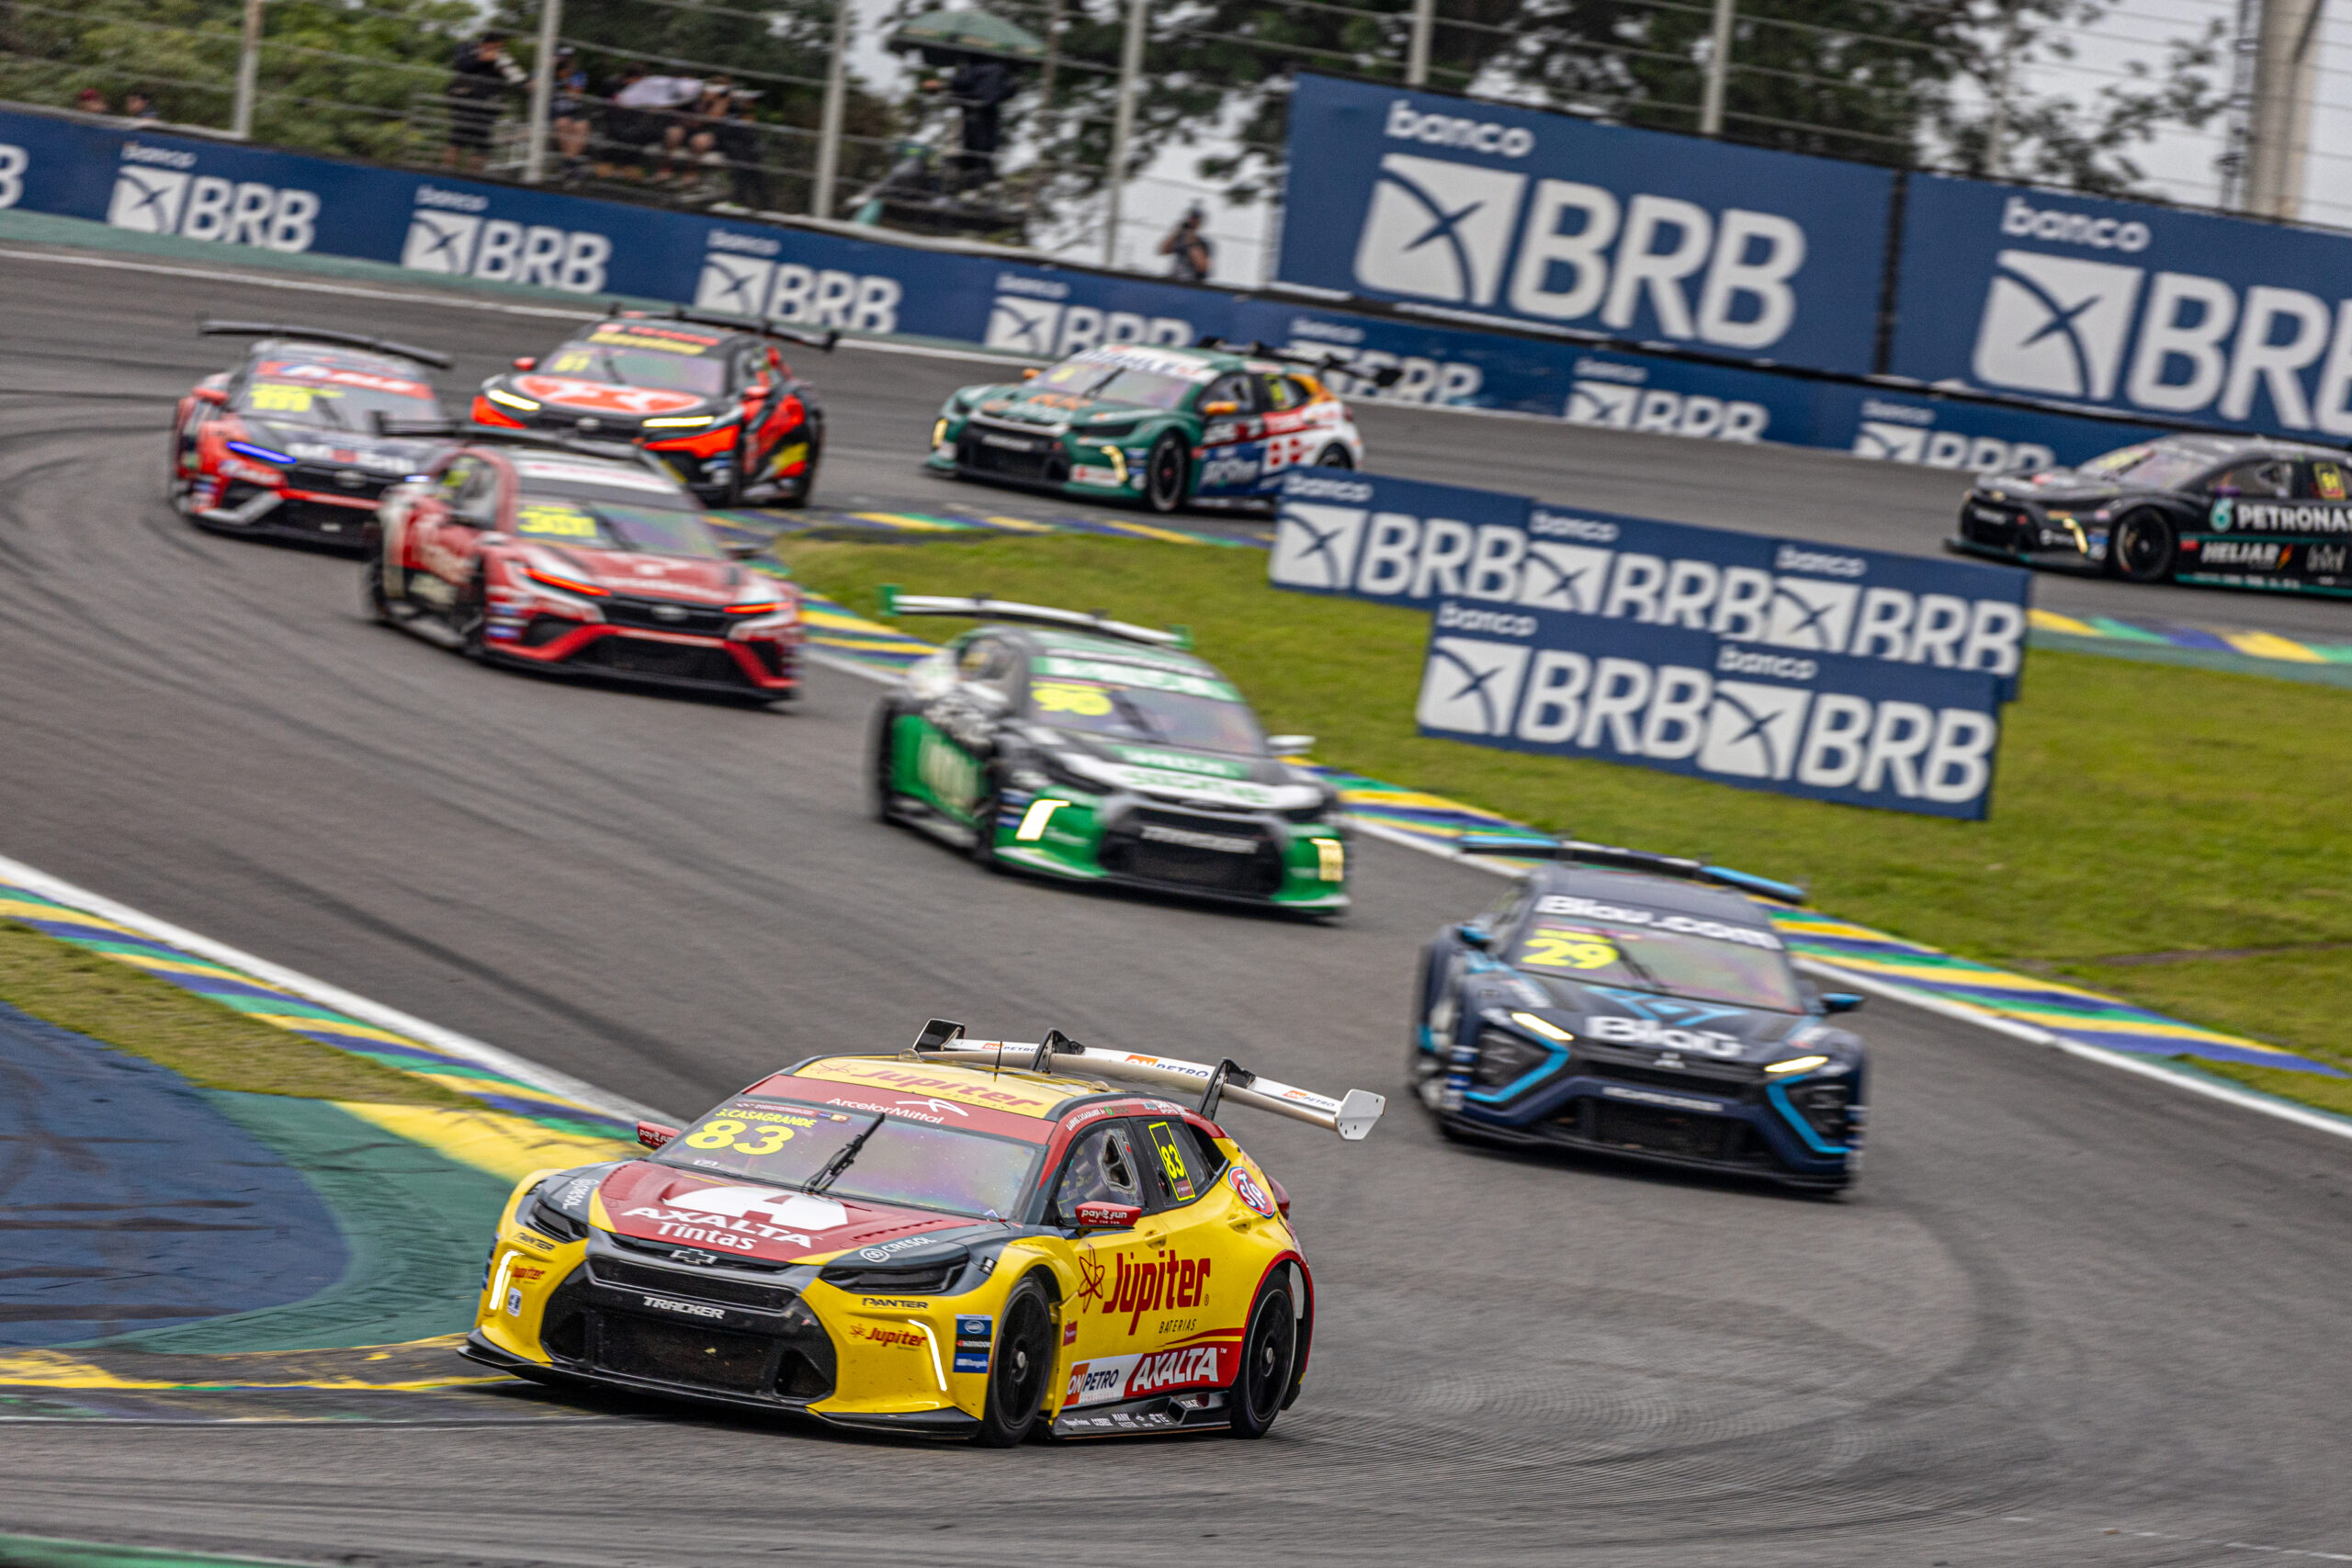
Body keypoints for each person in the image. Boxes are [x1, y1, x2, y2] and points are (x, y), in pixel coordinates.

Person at [445, 32, 525, 171]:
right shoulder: (467, 48)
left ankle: (473, 181)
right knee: (457, 141)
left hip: (487, 108)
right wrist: (482, 58)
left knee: (482, 146)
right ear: (487, 43)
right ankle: (446, 175)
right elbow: (462, 65)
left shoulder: (501, 56)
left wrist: (526, 82)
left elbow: (517, 77)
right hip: (466, 105)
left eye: (500, 47)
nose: (498, 49)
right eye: (496, 46)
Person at [548, 48, 592, 183]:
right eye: (563, 58)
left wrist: (566, 79)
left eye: (569, 58)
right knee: (563, 123)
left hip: (574, 112)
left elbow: (576, 96)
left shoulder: (578, 74)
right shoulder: (548, 74)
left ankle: (568, 164)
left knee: (582, 126)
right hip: (556, 114)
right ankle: (571, 165)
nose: (566, 61)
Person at [1160, 207, 1213, 282]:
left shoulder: (1202, 243)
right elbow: (1163, 250)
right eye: (1191, 218)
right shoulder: (1180, 239)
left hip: (1192, 282)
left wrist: (1191, 243)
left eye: (1195, 219)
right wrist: (1177, 232)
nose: (1192, 221)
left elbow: (1201, 266)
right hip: (1175, 278)